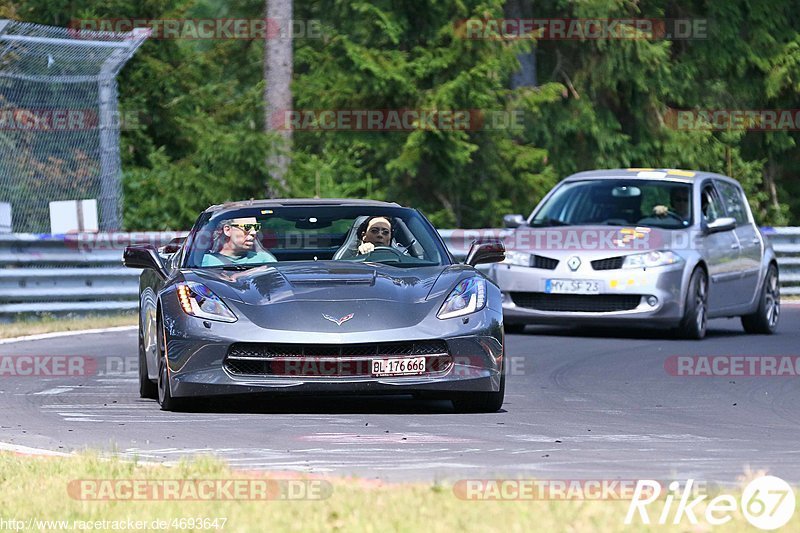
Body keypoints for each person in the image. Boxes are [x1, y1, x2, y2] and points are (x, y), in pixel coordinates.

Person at [201, 217, 277, 266]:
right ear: (227, 230)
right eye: (248, 227)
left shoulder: (264, 259)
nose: (254, 232)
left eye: (256, 227)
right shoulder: (205, 261)